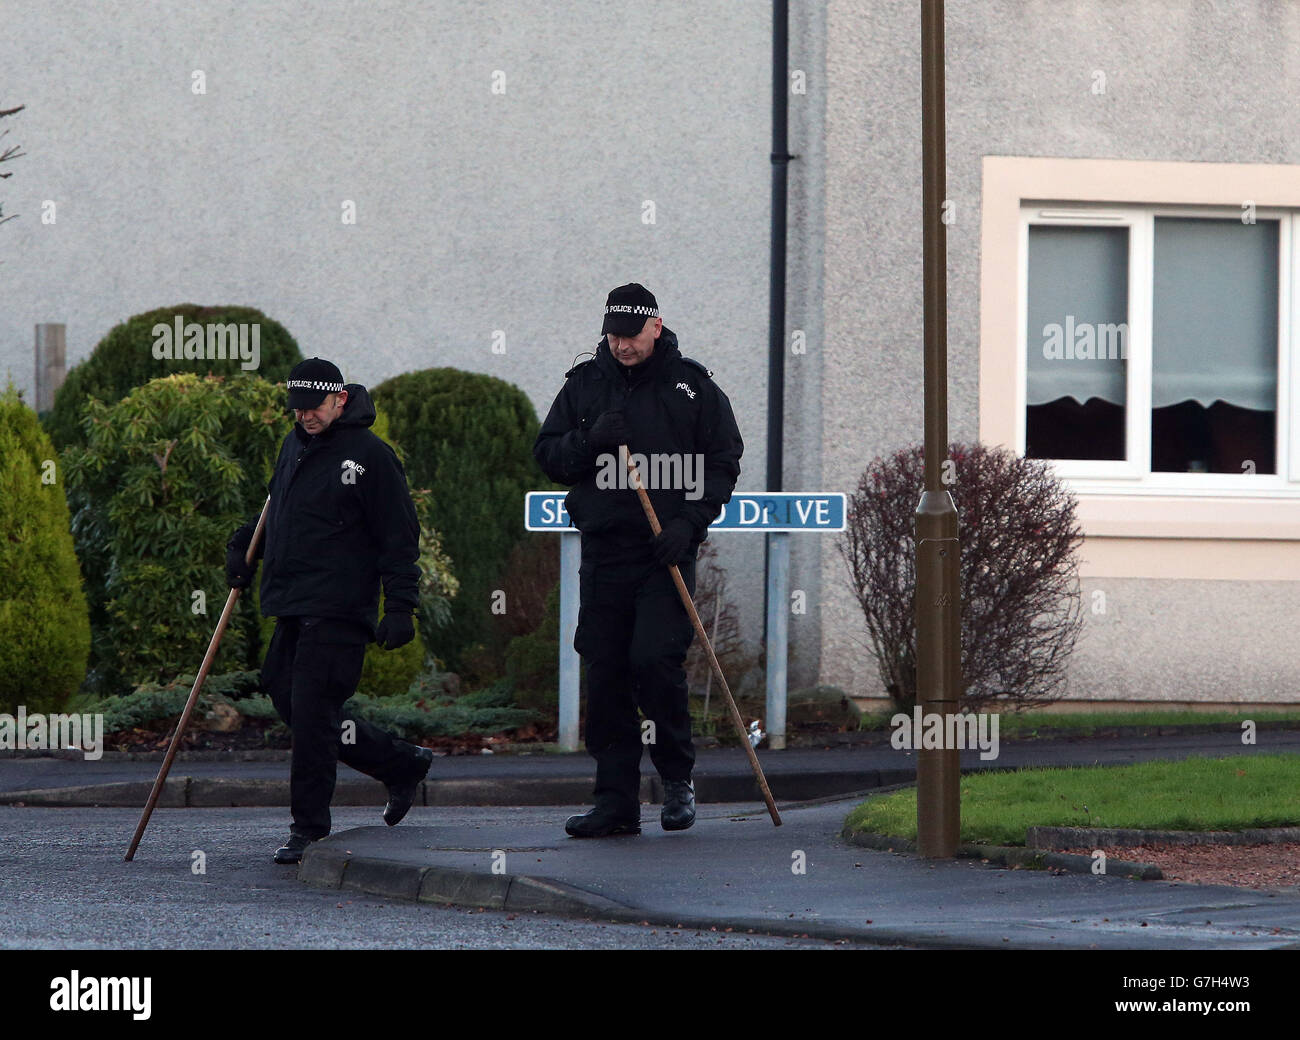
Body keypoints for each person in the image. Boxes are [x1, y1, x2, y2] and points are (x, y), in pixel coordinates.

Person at [533, 283, 743, 837]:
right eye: (613, 335)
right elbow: (548, 456)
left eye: (630, 334)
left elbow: (723, 461)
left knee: (654, 664)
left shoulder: (692, 388)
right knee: (606, 675)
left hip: (663, 555)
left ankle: (677, 779)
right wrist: (589, 439)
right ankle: (615, 802)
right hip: (605, 555)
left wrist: (689, 524)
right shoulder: (584, 386)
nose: (621, 345)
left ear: (655, 326)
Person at [226, 357, 433, 864]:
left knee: (314, 714)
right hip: (292, 600)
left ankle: (309, 828)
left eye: (313, 408)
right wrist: (243, 547)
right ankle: (399, 763)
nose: (305, 418)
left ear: (340, 399)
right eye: (296, 410)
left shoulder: (371, 456)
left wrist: (401, 605)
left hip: (340, 605)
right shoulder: (294, 443)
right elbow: (278, 508)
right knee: (286, 696)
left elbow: (399, 537)